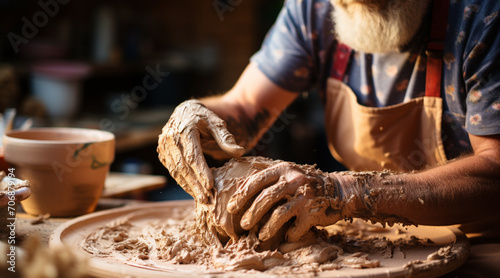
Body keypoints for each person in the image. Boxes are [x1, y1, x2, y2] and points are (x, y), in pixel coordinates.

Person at [158, 0, 500, 245]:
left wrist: (345, 192)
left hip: (481, 239)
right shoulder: (314, 10)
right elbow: (247, 106)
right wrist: (196, 116)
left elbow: (495, 168)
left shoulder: (481, 15)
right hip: (376, 235)